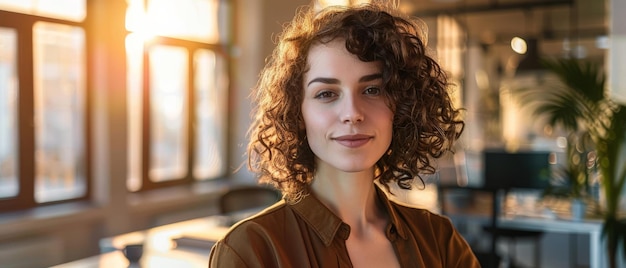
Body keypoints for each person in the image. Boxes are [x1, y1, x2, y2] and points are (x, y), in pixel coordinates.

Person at [209, 2, 480, 267]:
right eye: (326, 94)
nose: (352, 113)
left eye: (372, 90)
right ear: (297, 113)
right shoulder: (250, 251)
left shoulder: (439, 241)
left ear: (402, 107)